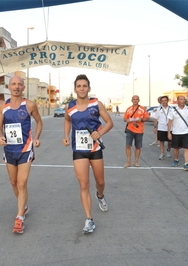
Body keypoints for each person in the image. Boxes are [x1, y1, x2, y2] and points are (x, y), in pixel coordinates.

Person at [62, 74, 113, 234]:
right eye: (79, 86)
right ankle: (89, 219)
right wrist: (66, 135)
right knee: (84, 185)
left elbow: (109, 122)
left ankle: (100, 195)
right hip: (79, 150)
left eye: (84, 86)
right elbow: (68, 120)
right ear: (75, 89)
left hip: (95, 148)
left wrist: (100, 133)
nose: (82, 88)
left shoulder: (96, 104)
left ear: (89, 88)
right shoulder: (69, 106)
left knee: (100, 181)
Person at [0, 76, 43, 234]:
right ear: (9, 87)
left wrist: (36, 138)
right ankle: (23, 206)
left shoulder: (30, 105)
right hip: (9, 150)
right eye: (14, 84)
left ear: (23, 88)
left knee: (22, 184)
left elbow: (39, 122)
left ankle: (19, 218)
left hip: (25, 149)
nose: (16, 87)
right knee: (13, 182)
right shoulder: (2, 106)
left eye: (19, 85)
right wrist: (0, 137)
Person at [167, 95, 188, 170]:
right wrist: (169, 132)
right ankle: (176, 160)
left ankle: (186, 163)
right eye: (181, 99)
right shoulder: (172, 110)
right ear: (177, 101)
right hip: (176, 132)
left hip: (186, 132)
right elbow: (170, 122)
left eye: (184, 99)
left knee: (186, 148)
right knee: (176, 148)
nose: (183, 101)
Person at [123, 95, 149, 168]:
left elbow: (147, 118)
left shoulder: (142, 109)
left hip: (139, 130)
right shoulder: (128, 109)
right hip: (129, 129)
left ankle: (136, 161)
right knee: (128, 146)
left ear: (138, 100)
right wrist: (127, 120)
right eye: (134, 99)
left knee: (138, 146)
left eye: (136, 99)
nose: (135, 100)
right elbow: (125, 118)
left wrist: (141, 120)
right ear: (131, 100)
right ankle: (128, 162)